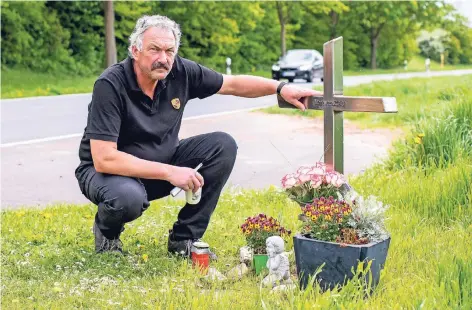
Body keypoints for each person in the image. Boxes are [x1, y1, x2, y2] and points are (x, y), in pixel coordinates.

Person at [74, 15, 321, 256]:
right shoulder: (110, 84)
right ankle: (107, 233)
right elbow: (104, 158)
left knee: (222, 145)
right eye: (154, 49)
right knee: (127, 198)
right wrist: (170, 172)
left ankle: (185, 238)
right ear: (135, 51)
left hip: (161, 162)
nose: (163, 58)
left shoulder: (180, 72)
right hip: (107, 174)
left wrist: (280, 87)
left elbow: (232, 83)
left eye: (169, 51)